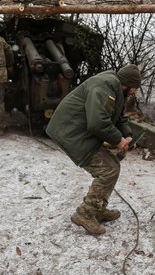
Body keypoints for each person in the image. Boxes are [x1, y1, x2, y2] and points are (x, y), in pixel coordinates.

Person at [45, 64, 142, 236]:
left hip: (79, 130)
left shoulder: (115, 88)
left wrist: (127, 135)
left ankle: (97, 209)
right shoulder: (104, 87)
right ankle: (85, 213)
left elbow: (119, 117)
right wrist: (118, 140)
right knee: (108, 170)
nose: (135, 92)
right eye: (135, 88)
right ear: (127, 84)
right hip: (71, 131)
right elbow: (97, 122)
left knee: (112, 166)